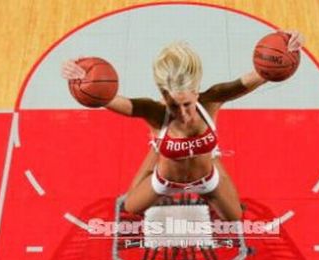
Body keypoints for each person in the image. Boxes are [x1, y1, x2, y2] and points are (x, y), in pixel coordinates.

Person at [62, 32, 303, 221]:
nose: (183, 113)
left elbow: (263, 72)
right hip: (165, 180)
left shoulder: (213, 100)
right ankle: (157, 149)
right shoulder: (154, 112)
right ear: (163, 95)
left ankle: (202, 156)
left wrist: (287, 46)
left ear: (197, 91)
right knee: (129, 208)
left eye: (187, 104)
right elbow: (104, 98)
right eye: (173, 106)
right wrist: (81, 76)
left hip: (206, 178)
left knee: (236, 217)